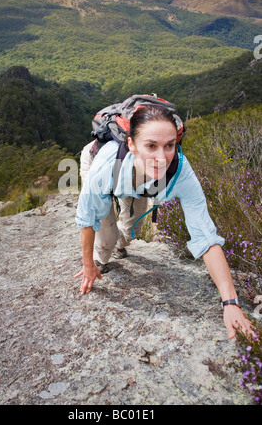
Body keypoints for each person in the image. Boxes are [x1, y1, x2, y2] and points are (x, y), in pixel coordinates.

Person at [75, 104, 254, 340]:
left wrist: (230, 302)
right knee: (106, 241)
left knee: (131, 233)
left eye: (169, 145)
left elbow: (206, 237)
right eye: (151, 146)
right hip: (111, 170)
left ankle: (121, 243)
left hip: (142, 183)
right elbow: (87, 220)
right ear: (131, 144)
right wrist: (88, 264)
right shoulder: (105, 167)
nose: (162, 158)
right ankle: (105, 252)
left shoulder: (180, 172)